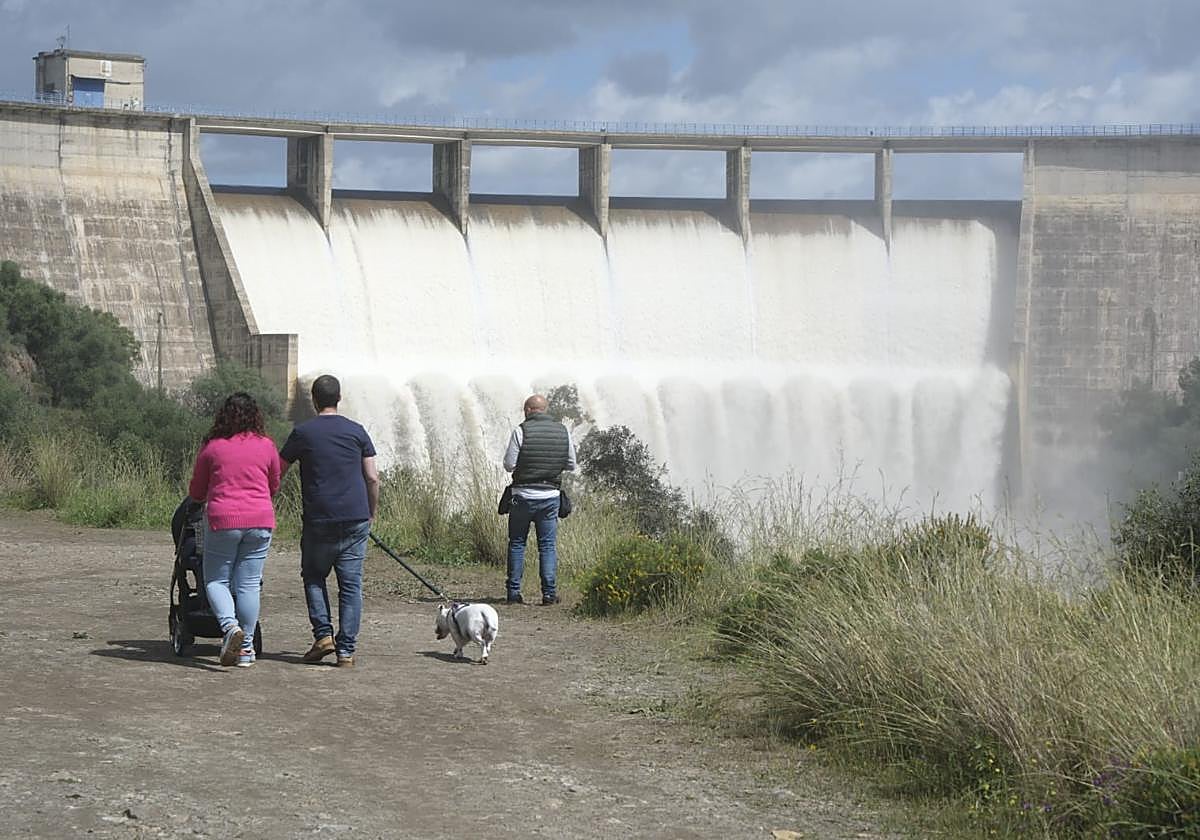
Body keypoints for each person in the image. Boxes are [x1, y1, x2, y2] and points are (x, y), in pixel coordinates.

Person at [280, 375, 380, 668]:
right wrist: (371, 511)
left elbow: (279, 469)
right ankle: (345, 651)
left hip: (319, 519)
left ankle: (323, 635)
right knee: (351, 586)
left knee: (313, 576)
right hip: (356, 518)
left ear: (314, 399)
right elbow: (372, 477)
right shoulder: (357, 432)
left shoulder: (303, 433)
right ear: (339, 398)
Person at [187, 392, 281, 668]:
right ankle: (246, 651)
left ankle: (230, 628)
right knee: (249, 584)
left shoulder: (213, 447)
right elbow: (273, 484)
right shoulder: (267, 445)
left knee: (215, 580)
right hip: (261, 519)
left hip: (223, 521)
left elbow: (197, 491)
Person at [502, 393, 576, 605]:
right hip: (550, 497)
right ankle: (549, 594)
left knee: (517, 543)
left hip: (522, 496)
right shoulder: (563, 431)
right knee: (547, 546)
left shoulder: (520, 431)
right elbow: (571, 464)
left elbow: (509, 465)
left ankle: (514, 593)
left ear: (527, 410)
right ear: (545, 410)